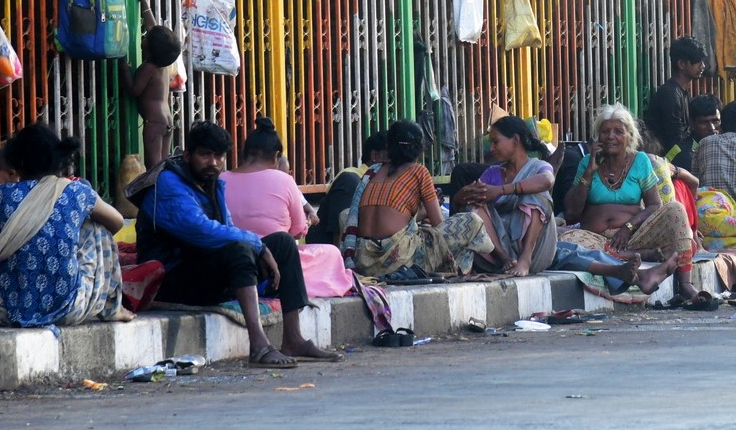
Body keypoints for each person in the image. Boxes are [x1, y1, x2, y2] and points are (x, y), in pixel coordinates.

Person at [132, 122, 339, 366]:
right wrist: (257, 245)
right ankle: (259, 345)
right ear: (188, 156)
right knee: (240, 248)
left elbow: (228, 229)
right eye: (205, 155)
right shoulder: (168, 184)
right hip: (170, 279)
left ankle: (293, 339)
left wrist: (260, 247)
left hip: (203, 271)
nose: (213, 163)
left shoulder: (213, 183)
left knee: (282, 242)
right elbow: (201, 231)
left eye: (218, 156)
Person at [0, 122, 124, 328]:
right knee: (98, 228)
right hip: (70, 309)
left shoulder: (3, 195)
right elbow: (117, 222)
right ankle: (113, 308)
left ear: (17, 162)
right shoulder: (79, 192)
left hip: (5, 310)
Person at [556, 107, 696, 297]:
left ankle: (685, 283)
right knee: (562, 239)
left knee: (676, 210)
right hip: (595, 239)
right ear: (597, 137)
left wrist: (628, 227)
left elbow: (655, 204)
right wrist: (589, 172)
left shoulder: (640, 161)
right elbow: (572, 211)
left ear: (629, 136)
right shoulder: (587, 162)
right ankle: (642, 255)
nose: (610, 137)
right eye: (605, 132)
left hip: (634, 236)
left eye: (618, 132)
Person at [223, 118, 353, 298]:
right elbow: (298, 231)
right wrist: (306, 222)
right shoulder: (284, 180)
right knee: (331, 253)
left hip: (230, 261)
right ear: (276, 156)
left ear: (244, 152)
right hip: (274, 261)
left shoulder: (220, 180)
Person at [351, 120, 494, 279]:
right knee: (472, 221)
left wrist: (418, 214)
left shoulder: (372, 171)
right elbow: (439, 224)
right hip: (397, 260)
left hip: (363, 259)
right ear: (419, 148)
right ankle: (460, 272)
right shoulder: (419, 172)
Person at [458, 116, 558, 278]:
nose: (492, 148)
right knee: (475, 204)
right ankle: (504, 257)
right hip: (500, 252)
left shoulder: (538, 166)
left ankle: (525, 259)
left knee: (538, 193)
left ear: (516, 140)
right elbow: (469, 203)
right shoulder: (493, 172)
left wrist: (501, 191)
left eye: (496, 142)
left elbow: (547, 181)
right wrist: (462, 195)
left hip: (535, 252)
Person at [645, 37, 709, 170]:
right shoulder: (670, 94)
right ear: (681, 64)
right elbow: (675, 141)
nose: (702, 66)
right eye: (697, 62)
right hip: (665, 161)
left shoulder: (681, 92)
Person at [129, 23, 183, 171]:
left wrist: (124, 69)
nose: (145, 36)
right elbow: (154, 30)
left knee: (153, 168)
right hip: (167, 121)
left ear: (150, 47)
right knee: (163, 166)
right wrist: (144, 2)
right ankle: (164, 190)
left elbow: (135, 90)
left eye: (147, 37)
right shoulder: (163, 66)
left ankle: (155, 193)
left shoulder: (149, 68)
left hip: (154, 122)